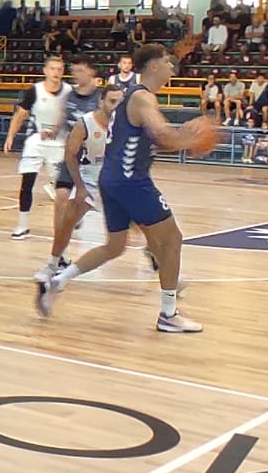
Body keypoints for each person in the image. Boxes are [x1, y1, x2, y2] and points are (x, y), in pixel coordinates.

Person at [36, 44, 210, 333]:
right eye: (167, 62)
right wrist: (192, 140)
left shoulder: (131, 97)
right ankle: (168, 313)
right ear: (153, 65)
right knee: (172, 240)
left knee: (114, 246)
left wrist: (184, 142)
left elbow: (149, 142)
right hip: (131, 180)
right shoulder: (143, 98)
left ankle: (56, 282)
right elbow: (164, 135)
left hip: (111, 179)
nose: (171, 68)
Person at [36, 65, 117, 284]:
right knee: (62, 205)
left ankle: (153, 253)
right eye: (75, 71)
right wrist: (53, 131)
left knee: (136, 224)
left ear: (92, 74)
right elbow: (63, 119)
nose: (75, 74)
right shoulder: (70, 96)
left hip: (101, 166)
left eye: (80, 71)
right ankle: (57, 259)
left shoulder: (106, 103)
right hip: (76, 158)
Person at [4, 54, 69, 240]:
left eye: (60, 69)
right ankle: (22, 225)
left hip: (59, 142)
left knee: (63, 188)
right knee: (27, 184)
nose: (56, 72)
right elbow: (20, 114)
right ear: (45, 71)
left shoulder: (69, 92)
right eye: (53, 69)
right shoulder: (35, 91)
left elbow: (74, 117)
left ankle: (70, 220)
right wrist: (10, 136)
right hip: (37, 140)